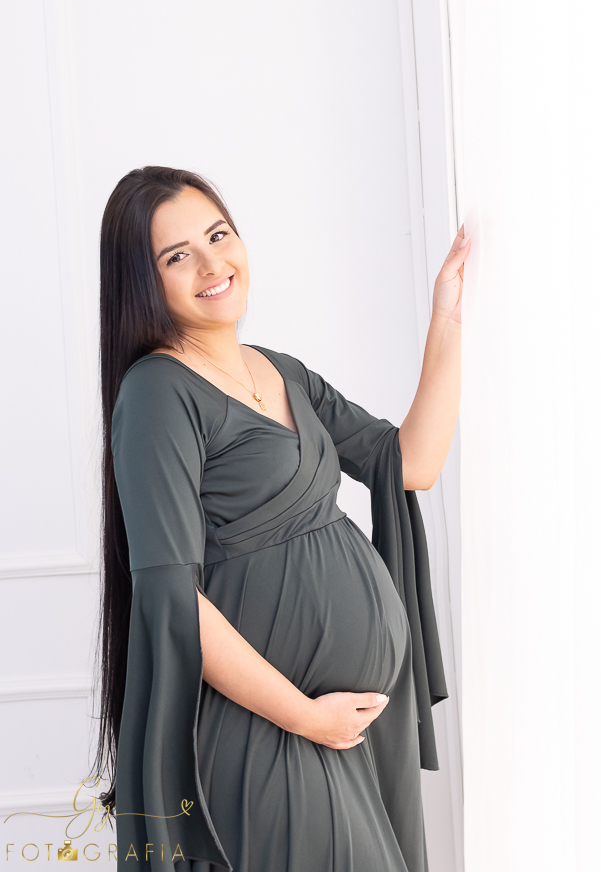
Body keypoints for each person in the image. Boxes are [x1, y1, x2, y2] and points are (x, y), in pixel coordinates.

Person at [95, 166, 470, 872]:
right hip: (270, 727)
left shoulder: (279, 370)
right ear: (142, 283)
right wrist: (306, 716)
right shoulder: (156, 394)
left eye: (218, 235)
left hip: (351, 728)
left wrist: (445, 320)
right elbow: (172, 599)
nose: (212, 264)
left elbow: (409, 462)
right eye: (178, 256)